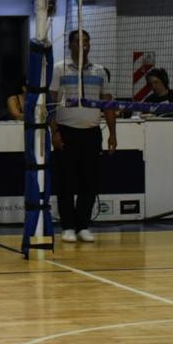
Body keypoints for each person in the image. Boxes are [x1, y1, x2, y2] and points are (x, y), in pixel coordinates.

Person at [49, 30, 117, 244]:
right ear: (70, 45)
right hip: (66, 131)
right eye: (79, 41)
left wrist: (113, 134)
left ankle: (83, 226)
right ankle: (68, 227)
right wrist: (54, 132)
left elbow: (108, 103)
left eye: (86, 41)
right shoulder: (59, 68)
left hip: (92, 133)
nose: (83, 45)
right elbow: (51, 103)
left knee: (90, 181)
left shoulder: (99, 71)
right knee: (66, 182)